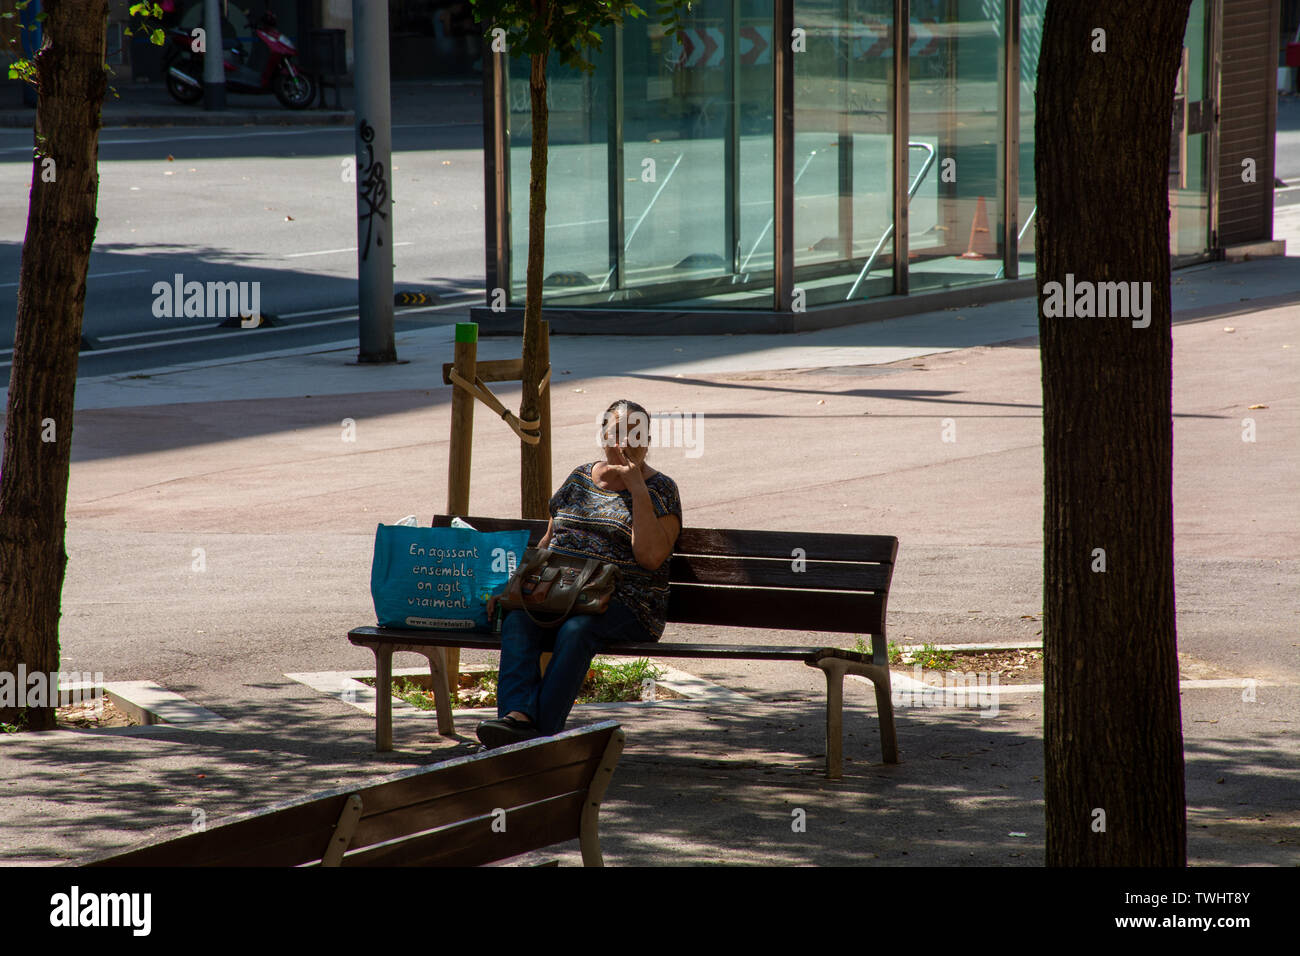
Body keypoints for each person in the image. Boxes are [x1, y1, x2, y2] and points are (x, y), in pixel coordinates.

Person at [476, 400, 683, 748]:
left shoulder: (661, 489)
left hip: (627, 603)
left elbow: (649, 557)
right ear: (603, 435)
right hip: (561, 593)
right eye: (618, 432)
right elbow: (549, 541)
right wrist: (514, 586)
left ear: (648, 440)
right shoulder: (579, 478)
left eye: (637, 433)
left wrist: (637, 489)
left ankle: (537, 736)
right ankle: (518, 718)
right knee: (518, 618)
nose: (627, 442)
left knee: (578, 629)